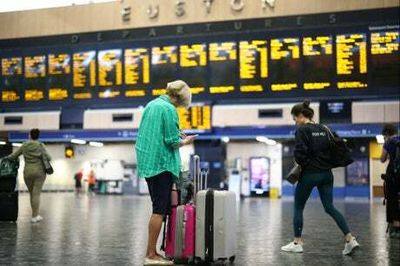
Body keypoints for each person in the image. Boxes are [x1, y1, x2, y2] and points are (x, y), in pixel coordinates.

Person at [281, 101, 359, 255]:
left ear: (301, 116)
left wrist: (300, 163)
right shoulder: (325, 129)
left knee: (298, 207)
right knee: (330, 208)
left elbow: (300, 154)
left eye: (294, 118)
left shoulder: (302, 131)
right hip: (327, 175)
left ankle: (297, 242)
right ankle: (350, 239)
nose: (295, 122)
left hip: (310, 174)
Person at [135, 80, 196, 266]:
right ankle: (151, 255)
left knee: (158, 207)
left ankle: (151, 252)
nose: (180, 106)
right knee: (159, 210)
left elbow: (154, 134)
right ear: (178, 97)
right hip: (162, 165)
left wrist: (177, 133)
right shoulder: (169, 109)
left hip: (148, 163)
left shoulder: (151, 105)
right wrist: (187, 141)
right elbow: (171, 141)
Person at [8, 128, 51, 223]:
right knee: (36, 194)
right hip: (39, 173)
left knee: (32, 193)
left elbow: (13, 156)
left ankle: (34, 215)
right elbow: (49, 158)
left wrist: (6, 158)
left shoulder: (24, 145)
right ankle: (34, 216)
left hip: (27, 172)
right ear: (38, 136)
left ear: (30, 135)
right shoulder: (40, 145)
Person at [380, 123, 400, 238]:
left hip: (392, 176)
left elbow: (382, 159)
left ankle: (395, 227)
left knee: (392, 200)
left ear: (386, 133)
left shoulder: (388, 143)